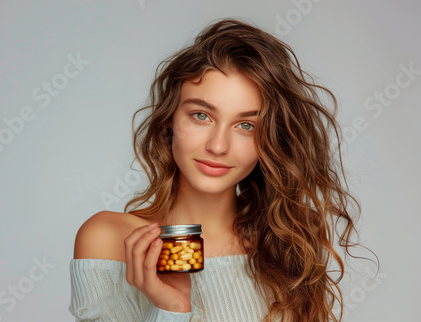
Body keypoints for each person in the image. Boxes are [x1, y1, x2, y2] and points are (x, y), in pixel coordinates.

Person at [69, 18, 365, 321]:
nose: (218, 146)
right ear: (170, 119)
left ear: (271, 141)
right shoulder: (110, 238)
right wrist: (173, 308)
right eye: (201, 115)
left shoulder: (282, 247)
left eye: (246, 125)